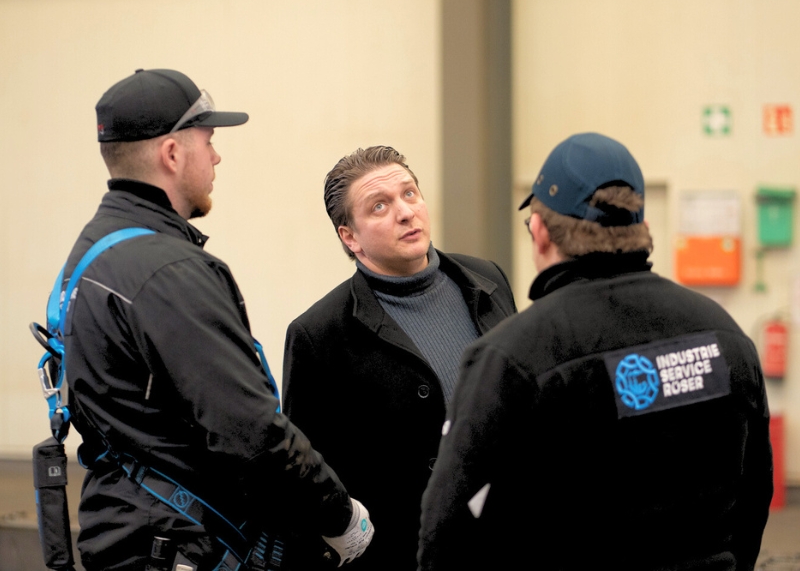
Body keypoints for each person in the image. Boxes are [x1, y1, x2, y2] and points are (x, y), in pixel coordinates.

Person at [59, 69, 373, 571]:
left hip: (125, 532)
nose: (216, 156)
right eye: (208, 141)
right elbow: (248, 430)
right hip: (179, 545)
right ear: (172, 154)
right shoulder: (169, 272)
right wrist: (340, 516)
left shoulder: (91, 255)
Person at [417, 132, 774, 571]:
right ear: (640, 229)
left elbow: (445, 529)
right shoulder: (726, 336)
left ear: (540, 232)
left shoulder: (512, 356)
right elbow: (756, 492)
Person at [282, 146, 517, 571]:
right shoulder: (318, 335)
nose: (406, 212)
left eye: (409, 193)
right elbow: (307, 481)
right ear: (350, 237)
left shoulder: (489, 280)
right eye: (379, 205)